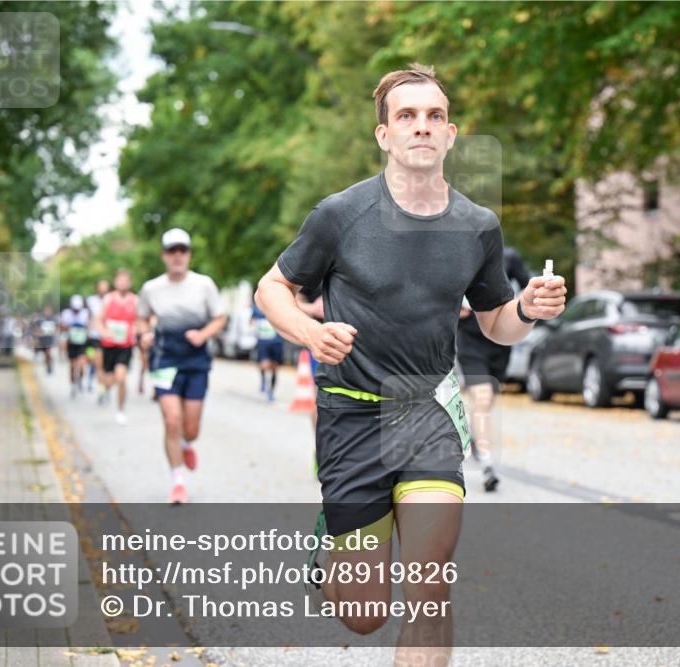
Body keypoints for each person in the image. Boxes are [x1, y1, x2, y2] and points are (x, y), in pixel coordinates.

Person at [254, 64, 566, 664]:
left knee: (430, 587)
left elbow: (496, 322)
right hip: (349, 415)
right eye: (407, 116)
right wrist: (310, 332)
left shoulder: (478, 226)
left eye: (434, 117)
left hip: (426, 413)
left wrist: (527, 308)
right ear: (384, 135)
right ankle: (333, 549)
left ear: (450, 135)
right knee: (364, 615)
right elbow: (272, 287)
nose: (421, 127)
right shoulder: (341, 215)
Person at [137, 228, 227, 504]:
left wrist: (202, 335)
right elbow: (141, 319)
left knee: (191, 428)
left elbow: (220, 317)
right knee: (171, 420)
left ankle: (187, 443)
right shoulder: (151, 288)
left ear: (188, 254)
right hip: (165, 358)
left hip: (195, 359)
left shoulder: (204, 284)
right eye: (172, 251)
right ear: (164, 256)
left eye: (182, 250)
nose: (177, 256)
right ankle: (178, 482)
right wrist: (144, 335)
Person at [456, 246, 531, 492]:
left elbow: (527, 288)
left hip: (501, 340)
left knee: (486, 403)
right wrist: (455, 306)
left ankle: (478, 438)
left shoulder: (509, 257)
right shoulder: (459, 254)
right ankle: (487, 464)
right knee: (482, 396)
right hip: (470, 339)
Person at [94, 269, 138, 425]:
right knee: (107, 380)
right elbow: (98, 320)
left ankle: (120, 410)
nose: (123, 283)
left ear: (130, 283)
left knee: (121, 377)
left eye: (126, 280)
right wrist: (105, 332)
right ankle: (104, 386)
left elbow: (141, 321)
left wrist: (135, 331)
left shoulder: (135, 300)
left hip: (125, 346)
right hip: (108, 345)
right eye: (120, 280)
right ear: (115, 282)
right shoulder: (108, 299)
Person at [251, 302, 284, 402]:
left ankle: (271, 393)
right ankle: (263, 381)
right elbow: (251, 321)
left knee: (274, 368)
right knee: (264, 365)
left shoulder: (280, 306)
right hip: (263, 342)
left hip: (276, 342)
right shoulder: (256, 308)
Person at [60, 295, 91, 398]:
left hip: (82, 343)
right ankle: (73, 385)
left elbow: (90, 326)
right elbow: (62, 328)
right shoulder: (66, 314)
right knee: (72, 365)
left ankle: (80, 380)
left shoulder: (85, 314)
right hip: (71, 343)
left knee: (82, 365)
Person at [86, 279, 110, 395]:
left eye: (105, 286)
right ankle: (100, 387)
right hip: (95, 336)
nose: (103, 289)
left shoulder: (111, 299)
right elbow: (89, 318)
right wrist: (88, 333)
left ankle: (106, 384)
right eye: (101, 286)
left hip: (109, 336)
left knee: (107, 364)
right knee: (98, 362)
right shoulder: (91, 301)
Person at [31, 304, 58, 374]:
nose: (47, 312)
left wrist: (56, 333)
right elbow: (34, 327)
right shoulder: (40, 320)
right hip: (42, 340)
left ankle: (49, 366)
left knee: (48, 353)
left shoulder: (54, 319)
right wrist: (38, 333)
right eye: (46, 311)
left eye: (49, 311)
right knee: (43, 354)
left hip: (50, 339)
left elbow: (57, 327)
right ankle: (47, 364)